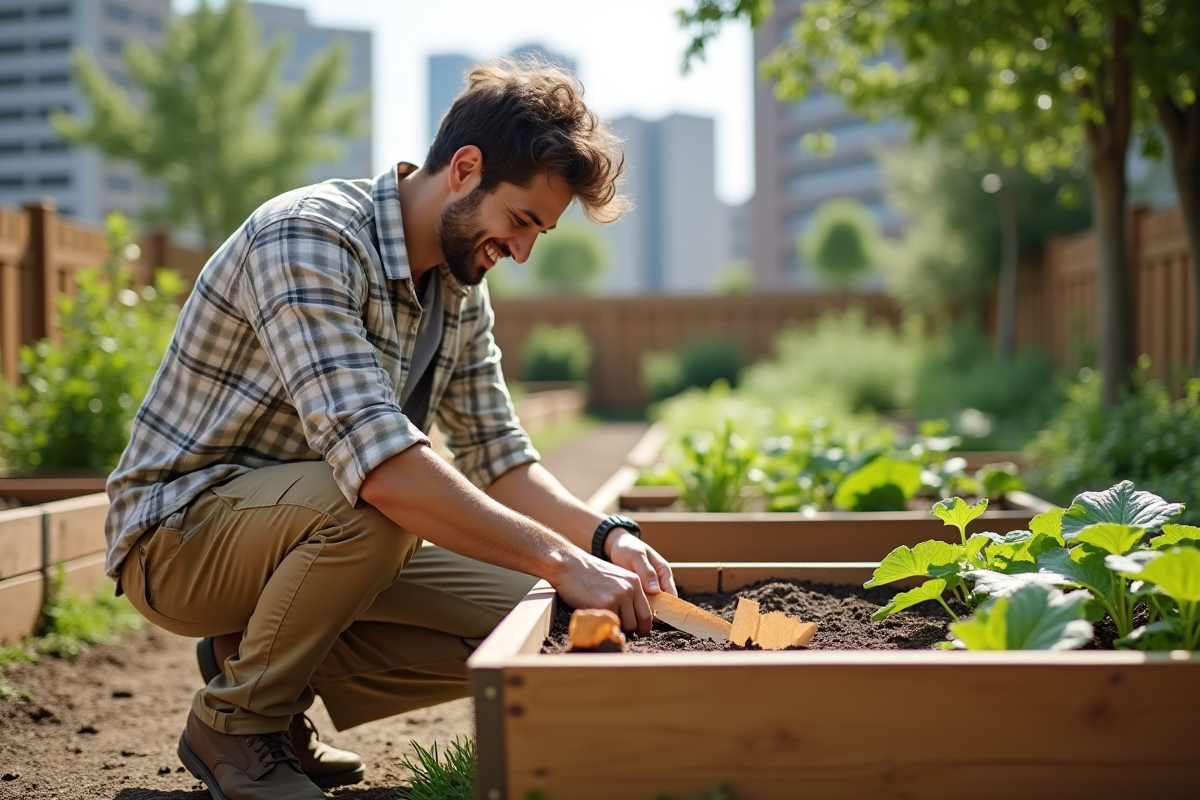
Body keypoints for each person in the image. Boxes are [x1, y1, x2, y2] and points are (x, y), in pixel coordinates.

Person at [103, 59, 677, 800]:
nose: (524, 251)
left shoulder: (459, 291)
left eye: (540, 231)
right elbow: (382, 471)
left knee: (546, 615)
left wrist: (604, 542)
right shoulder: (308, 237)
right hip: (180, 540)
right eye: (521, 221)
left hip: (311, 529)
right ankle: (238, 725)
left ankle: (258, 662)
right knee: (381, 507)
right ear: (465, 170)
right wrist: (562, 558)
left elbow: (500, 457)